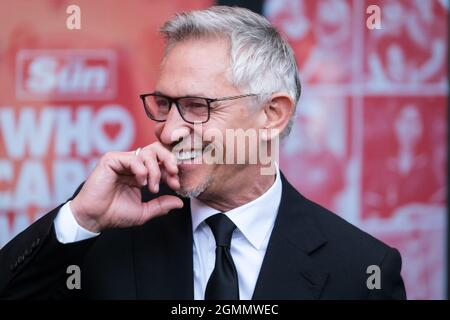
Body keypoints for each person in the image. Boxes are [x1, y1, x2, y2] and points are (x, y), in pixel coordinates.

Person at [0, 6, 406, 300]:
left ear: (272, 114)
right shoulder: (107, 233)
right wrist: (80, 219)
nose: (171, 130)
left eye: (198, 106)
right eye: (164, 104)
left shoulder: (361, 269)